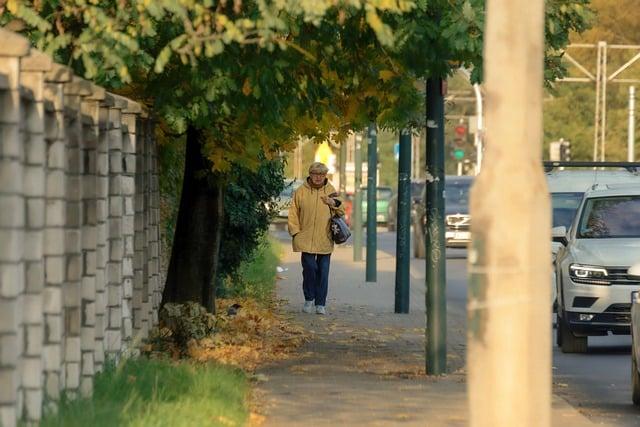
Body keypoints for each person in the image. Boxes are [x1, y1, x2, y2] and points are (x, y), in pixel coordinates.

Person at [288, 162, 345, 315]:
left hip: (325, 237)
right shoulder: (301, 191)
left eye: (321, 175)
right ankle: (309, 298)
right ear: (310, 174)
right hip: (304, 237)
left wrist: (332, 202)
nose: (318, 177)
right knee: (310, 269)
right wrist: (295, 232)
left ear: (325, 176)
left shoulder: (330, 190)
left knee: (323, 271)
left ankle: (320, 304)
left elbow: (341, 210)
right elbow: (293, 212)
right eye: (315, 174)